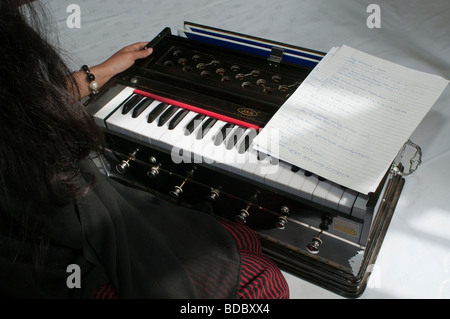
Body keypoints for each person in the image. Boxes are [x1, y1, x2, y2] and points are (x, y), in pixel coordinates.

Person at [0, 0, 289, 298]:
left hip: (78, 217)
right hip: (56, 259)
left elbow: (22, 104)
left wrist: (96, 74)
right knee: (267, 283)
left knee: (244, 238)